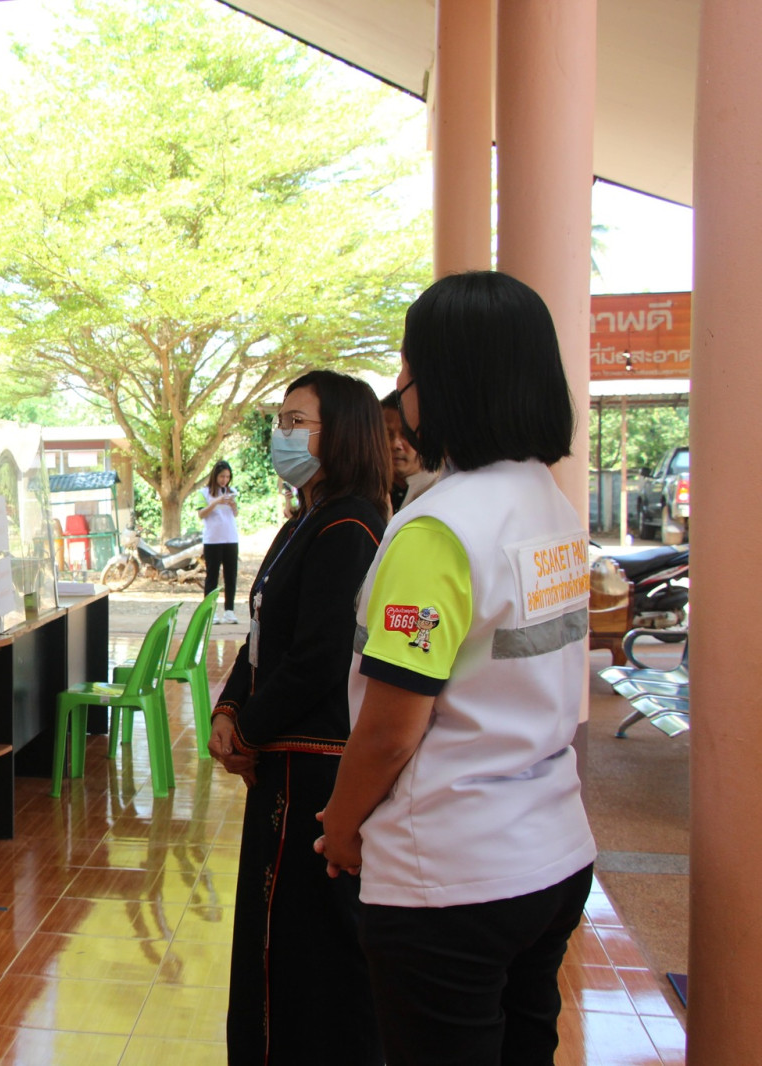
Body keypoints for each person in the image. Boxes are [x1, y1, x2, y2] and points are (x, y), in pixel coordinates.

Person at [317, 271, 596, 1066]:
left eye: (407, 372)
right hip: (553, 850)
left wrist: (341, 827)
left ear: (445, 383)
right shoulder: (549, 505)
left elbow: (391, 730)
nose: (401, 392)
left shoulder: (439, 529)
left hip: (453, 873)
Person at [206, 369, 390, 1065]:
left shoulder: (350, 526)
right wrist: (229, 709)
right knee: (271, 942)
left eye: (296, 421)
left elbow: (318, 657)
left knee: (309, 955)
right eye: (279, 421)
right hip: (279, 764)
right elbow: (262, 634)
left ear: (340, 433)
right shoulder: (304, 520)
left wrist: (248, 732)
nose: (280, 434)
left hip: (313, 774)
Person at [196, 459, 240, 624]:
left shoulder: (232, 491)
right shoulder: (204, 493)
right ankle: (210, 611)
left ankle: (229, 611)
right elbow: (201, 514)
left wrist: (233, 505)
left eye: (227, 477)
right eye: (222, 476)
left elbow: (235, 514)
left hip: (231, 538)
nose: (224, 480)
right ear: (215, 476)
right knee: (212, 576)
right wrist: (215, 502)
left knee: (231, 575)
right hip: (213, 540)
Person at [380, 389, 435, 512]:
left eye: (406, 434)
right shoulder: (370, 489)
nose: (395, 444)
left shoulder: (437, 491)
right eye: (388, 434)